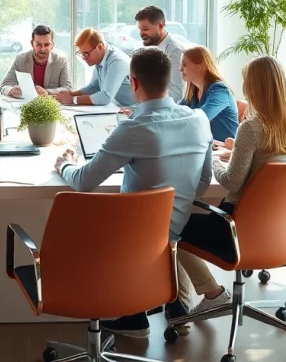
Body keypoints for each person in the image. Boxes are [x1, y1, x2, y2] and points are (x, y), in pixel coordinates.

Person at [53, 48, 213, 338]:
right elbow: (204, 178)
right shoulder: (199, 120)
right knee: (151, 228)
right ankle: (146, 311)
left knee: (110, 219)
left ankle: (135, 315)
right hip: (174, 231)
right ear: (170, 79)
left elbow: (83, 182)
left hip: (127, 238)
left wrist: (65, 165)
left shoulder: (133, 129)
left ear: (134, 83)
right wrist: (175, 201)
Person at [176, 56, 286, 319]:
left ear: (255, 87)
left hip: (239, 230)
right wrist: (236, 154)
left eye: (247, 81)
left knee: (173, 227)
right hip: (284, 228)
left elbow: (229, 182)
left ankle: (209, 294)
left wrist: (212, 158)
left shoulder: (252, 128)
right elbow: (271, 163)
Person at [54, 28, 136, 108]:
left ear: (99, 47)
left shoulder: (117, 61)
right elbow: (94, 87)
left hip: (136, 110)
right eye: (81, 53)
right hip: (122, 107)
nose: (83, 57)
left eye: (86, 53)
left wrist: (73, 100)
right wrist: (71, 94)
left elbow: (105, 97)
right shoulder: (100, 58)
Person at [180, 45, 239, 142]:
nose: (180, 69)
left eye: (184, 65)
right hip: (206, 149)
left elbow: (201, 118)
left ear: (200, 66)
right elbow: (175, 113)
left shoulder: (220, 90)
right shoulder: (193, 93)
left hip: (226, 152)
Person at [0, 25, 73, 97]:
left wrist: (47, 91)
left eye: (47, 45)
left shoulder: (61, 60)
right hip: (25, 104)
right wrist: (11, 90)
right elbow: (4, 85)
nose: (42, 49)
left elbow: (68, 88)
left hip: (51, 104)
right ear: (32, 44)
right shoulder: (21, 59)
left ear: (52, 45)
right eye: (38, 45)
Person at [135, 5, 185, 100]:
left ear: (160, 26)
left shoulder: (176, 51)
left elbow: (176, 94)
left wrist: (148, 101)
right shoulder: (148, 47)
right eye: (140, 29)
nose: (141, 34)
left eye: (145, 29)